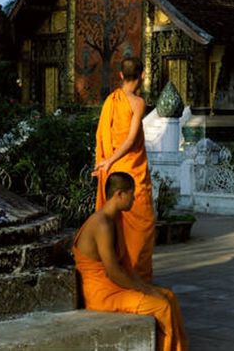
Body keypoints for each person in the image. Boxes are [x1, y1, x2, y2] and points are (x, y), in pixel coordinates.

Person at [74, 172, 189, 351]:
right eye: (131, 193)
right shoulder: (102, 224)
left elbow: (125, 265)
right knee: (161, 306)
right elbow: (114, 272)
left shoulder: (115, 219)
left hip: (114, 287)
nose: (134, 198)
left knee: (170, 297)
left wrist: (146, 287)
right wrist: (145, 290)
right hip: (103, 294)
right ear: (119, 194)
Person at [93, 56, 155, 280]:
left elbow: (100, 136)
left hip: (113, 173)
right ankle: (136, 277)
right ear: (143, 75)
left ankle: (118, 274)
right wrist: (109, 161)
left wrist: (104, 161)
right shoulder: (137, 103)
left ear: (120, 75)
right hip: (130, 174)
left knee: (115, 225)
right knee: (142, 227)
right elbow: (130, 140)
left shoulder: (111, 100)